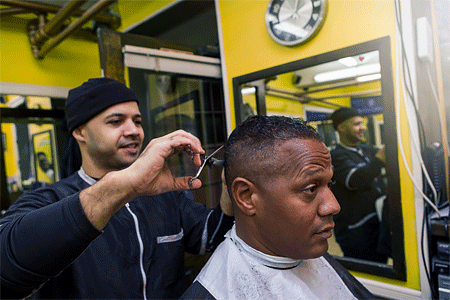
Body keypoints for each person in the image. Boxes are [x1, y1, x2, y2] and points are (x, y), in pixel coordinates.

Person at [0, 77, 234, 299]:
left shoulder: (166, 196)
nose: (133, 130)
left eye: (137, 121)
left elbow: (213, 235)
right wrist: (125, 185)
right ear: (80, 131)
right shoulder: (48, 200)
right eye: (115, 121)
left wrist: (228, 185)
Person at [181, 115, 374, 300]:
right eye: (311, 188)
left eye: (329, 184)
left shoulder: (304, 252)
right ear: (246, 197)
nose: (333, 206)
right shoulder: (217, 291)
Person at [329, 107, 390, 263]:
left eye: (362, 123)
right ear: (341, 127)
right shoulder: (335, 156)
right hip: (356, 233)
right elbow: (356, 179)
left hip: (376, 225)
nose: (362, 127)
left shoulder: (366, 149)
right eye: (356, 124)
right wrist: (380, 159)